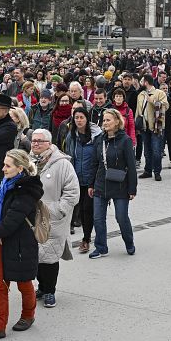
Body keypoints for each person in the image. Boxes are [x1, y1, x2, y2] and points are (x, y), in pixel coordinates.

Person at [0, 149, 43, 341]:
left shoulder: (26, 190)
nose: (3, 169)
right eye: (4, 164)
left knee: (24, 283)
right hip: (3, 242)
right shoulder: (6, 184)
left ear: (20, 169)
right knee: (0, 286)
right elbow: (4, 207)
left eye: (8, 166)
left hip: (20, 245)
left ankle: (28, 315)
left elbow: (12, 220)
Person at [30, 129, 79, 309]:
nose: (35, 143)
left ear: (49, 144)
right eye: (33, 140)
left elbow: (72, 192)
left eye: (39, 141)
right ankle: (42, 287)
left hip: (53, 218)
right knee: (36, 254)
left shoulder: (62, 164)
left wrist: (58, 210)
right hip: (31, 217)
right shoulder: (28, 161)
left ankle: (50, 291)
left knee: (49, 256)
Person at [88, 108, 138, 259]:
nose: (105, 123)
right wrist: (91, 184)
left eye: (108, 120)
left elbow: (131, 166)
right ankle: (101, 247)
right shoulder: (99, 139)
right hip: (100, 183)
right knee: (98, 218)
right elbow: (94, 163)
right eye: (104, 120)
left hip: (120, 184)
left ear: (117, 121)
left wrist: (132, 188)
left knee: (121, 217)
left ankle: (129, 242)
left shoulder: (125, 140)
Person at [63, 108, 102, 254]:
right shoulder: (71, 135)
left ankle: (86, 239)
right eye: (76, 117)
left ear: (87, 119)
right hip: (76, 178)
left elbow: (99, 158)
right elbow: (69, 155)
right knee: (76, 208)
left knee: (87, 209)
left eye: (81, 117)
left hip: (92, 179)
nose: (79, 120)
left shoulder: (97, 136)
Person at [136, 75, 169, 182]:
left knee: (156, 150)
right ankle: (148, 170)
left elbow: (166, 106)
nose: (140, 83)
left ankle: (157, 172)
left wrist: (153, 101)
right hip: (144, 126)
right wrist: (137, 124)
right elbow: (138, 110)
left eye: (142, 81)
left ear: (146, 82)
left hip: (156, 126)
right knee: (147, 150)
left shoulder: (159, 93)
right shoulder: (141, 94)